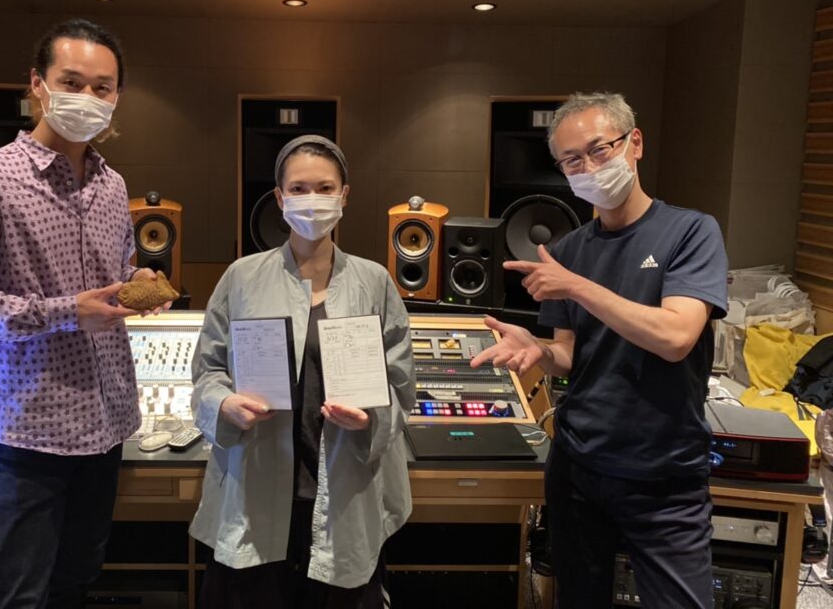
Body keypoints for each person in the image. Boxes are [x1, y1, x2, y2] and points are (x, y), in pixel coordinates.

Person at [0, 18, 168, 609]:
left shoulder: (113, 185)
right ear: (38, 84)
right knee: (17, 597)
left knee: (76, 582)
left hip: (105, 424)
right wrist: (64, 313)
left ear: (117, 97)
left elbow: (118, 267)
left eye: (102, 87)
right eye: (72, 82)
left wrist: (137, 282)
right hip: (28, 435)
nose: (88, 97)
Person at [471, 92, 728, 608]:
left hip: (664, 472)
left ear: (635, 143)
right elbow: (570, 355)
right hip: (578, 467)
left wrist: (577, 287)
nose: (588, 168)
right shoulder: (569, 250)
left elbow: (677, 338)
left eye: (599, 150)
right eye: (571, 161)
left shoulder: (690, 232)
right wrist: (539, 350)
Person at [190, 135, 415, 608]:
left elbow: (401, 386)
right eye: (298, 188)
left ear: (344, 195)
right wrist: (224, 404)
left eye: (325, 188)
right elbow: (208, 371)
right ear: (279, 197)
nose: (312, 199)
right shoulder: (242, 277)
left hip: (345, 493)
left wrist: (371, 420)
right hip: (256, 489)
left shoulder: (374, 281)